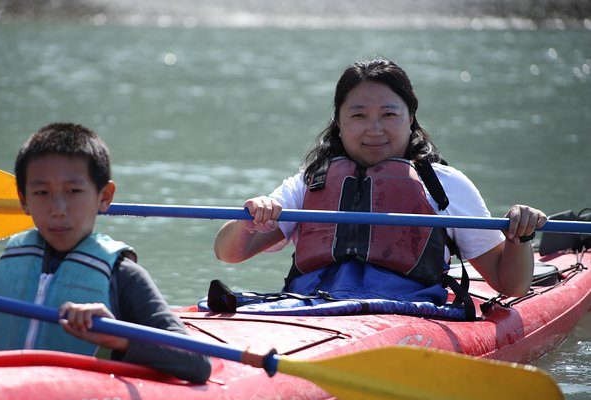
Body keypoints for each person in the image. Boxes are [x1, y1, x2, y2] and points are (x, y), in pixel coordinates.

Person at [213, 58, 547, 317]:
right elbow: (229, 252)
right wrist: (248, 218)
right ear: (339, 123)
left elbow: (511, 285)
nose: (374, 129)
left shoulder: (446, 187)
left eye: (389, 114)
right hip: (309, 308)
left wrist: (521, 235)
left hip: (405, 315)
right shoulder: (308, 182)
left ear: (410, 118)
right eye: (358, 116)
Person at [0, 123, 211, 383]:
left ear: (105, 196)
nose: (58, 209)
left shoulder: (123, 277)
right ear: (23, 200)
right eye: (41, 193)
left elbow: (196, 363)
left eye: (73, 191)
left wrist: (120, 338)